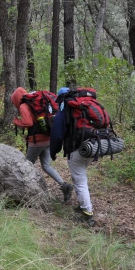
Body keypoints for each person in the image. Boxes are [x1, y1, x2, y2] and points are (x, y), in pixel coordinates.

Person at [12, 87, 73, 202]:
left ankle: (25, 192)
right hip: (49, 138)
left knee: (27, 165)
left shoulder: (23, 106)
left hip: (37, 141)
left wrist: (16, 121)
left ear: (16, 99)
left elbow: (28, 122)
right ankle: (64, 185)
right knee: (46, 165)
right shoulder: (37, 102)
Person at [50, 87, 95, 226]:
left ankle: (88, 215)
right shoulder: (85, 109)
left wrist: (54, 151)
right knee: (81, 177)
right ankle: (83, 205)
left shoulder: (65, 113)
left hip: (76, 149)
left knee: (79, 181)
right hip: (92, 148)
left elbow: (57, 135)